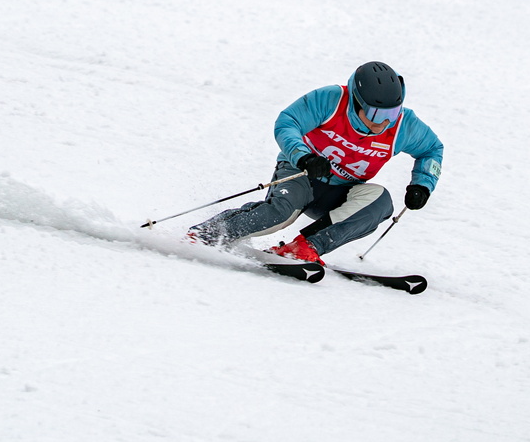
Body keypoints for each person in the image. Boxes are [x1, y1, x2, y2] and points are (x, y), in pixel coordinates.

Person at [189, 61, 443, 282]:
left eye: (392, 112)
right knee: (281, 214)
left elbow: (432, 149)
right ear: (356, 101)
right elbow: (288, 121)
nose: (384, 121)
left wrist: (423, 184)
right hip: (303, 174)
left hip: (342, 192)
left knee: (381, 201)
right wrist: (303, 157)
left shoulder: (404, 125)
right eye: (376, 113)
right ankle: (208, 233)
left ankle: (303, 248)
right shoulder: (331, 100)